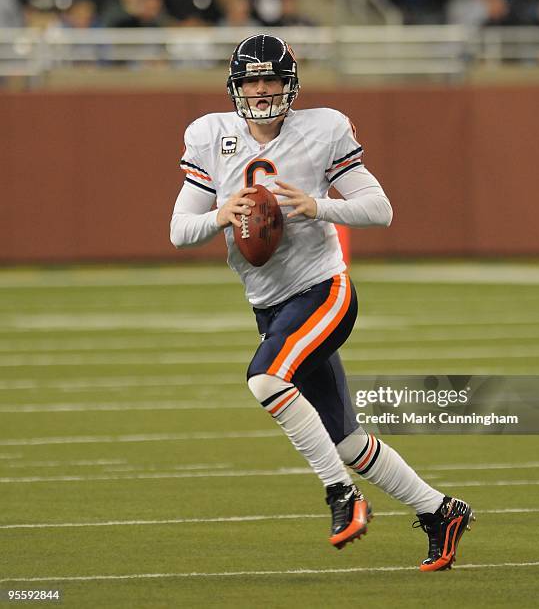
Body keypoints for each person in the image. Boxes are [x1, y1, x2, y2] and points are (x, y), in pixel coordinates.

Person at [170, 34, 474, 571]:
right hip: (267, 301)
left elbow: (379, 209)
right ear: (235, 86)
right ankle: (439, 510)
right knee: (346, 439)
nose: (262, 90)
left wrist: (316, 205)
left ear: (290, 85)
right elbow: (179, 232)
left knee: (266, 379)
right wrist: (221, 215)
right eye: (252, 80)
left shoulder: (323, 127)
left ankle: (341, 494)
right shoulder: (209, 135)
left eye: (271, 80)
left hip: (323, 288)